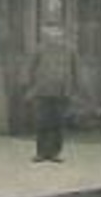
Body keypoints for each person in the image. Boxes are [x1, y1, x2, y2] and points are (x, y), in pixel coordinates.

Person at [25, 24, 77, 163]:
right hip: (42, 92)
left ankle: (55, 152)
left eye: (56, 33)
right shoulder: (39, 50)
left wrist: (73, 90)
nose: (53, 37)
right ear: (45, 35)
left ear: (61, 34)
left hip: (61, 92)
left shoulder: (69, 50)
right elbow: (31, 69)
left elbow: (75, 70)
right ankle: (41, 152)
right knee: (42, 122)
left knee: (58, 123)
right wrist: (31, 87)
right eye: (49, 34)